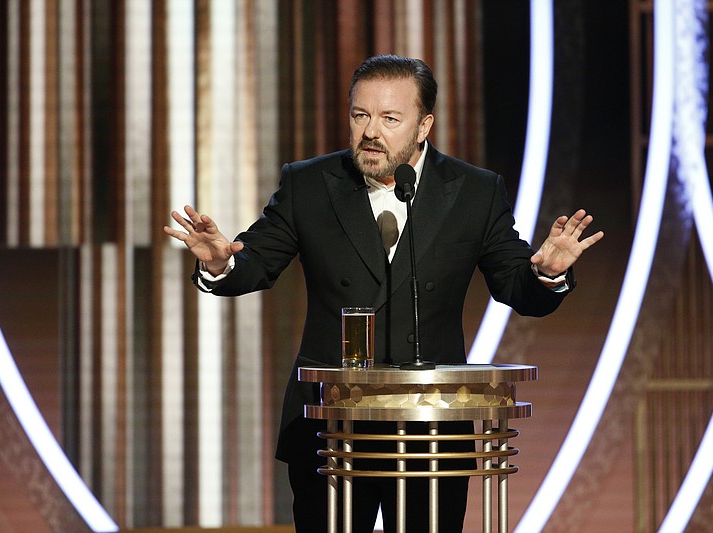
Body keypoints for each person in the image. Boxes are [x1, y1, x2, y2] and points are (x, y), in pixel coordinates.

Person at [164, 54, 603, 532]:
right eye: (360, 115)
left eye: (390, 118)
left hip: (432, 428)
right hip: (330, 424)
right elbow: (255, 264)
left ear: (423, 125)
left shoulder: (474, 191)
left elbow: (515, 286)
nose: (371, 131)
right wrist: (219, 262)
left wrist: (548, 273)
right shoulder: (310, 184)